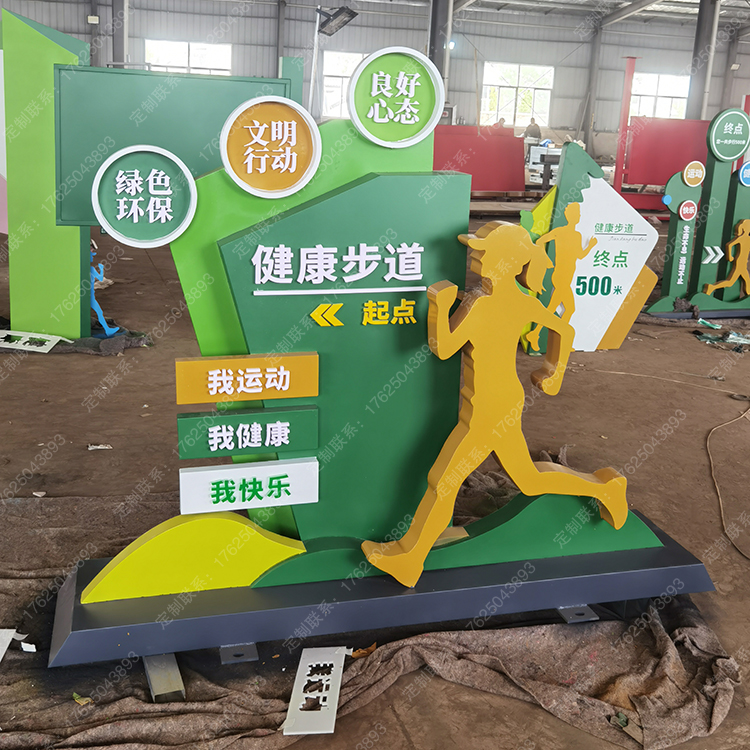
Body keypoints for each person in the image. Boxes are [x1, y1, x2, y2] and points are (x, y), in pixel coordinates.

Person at [361, 222, 628, 588]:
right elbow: (563, 330)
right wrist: (552, 370)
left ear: (508, 260)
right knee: (527, 479)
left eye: (483, 253)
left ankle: (411, 557)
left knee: (444, 480)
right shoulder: (506, 301)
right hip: (496, 402)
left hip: (491, 407)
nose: (475, 257)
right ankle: (603, 487)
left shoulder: (482, 305)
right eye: (476, 250)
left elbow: (444, 348)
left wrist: (439, 306)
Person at [525, 202, 597, 351]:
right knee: (569, 309)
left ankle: (536, 333)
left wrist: (590, 246)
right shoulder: (560, 232)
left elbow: (579, 255)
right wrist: (546, 259)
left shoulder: (577, 235)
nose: (578, 216)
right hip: (560, 276)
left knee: (554, 308)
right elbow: (539, 241)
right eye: (576, 214)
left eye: (578, 214)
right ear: (568, 215)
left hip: (567, 276)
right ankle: (561, 340)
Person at [704, 220, 750, 297]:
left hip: (742, 262)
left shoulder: (746, 238)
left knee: (735, 281)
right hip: (740, 263)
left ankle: (712, 287)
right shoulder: (743, 238)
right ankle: (712, 287)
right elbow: (729, 245)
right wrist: (729, 256)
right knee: (733, 282)